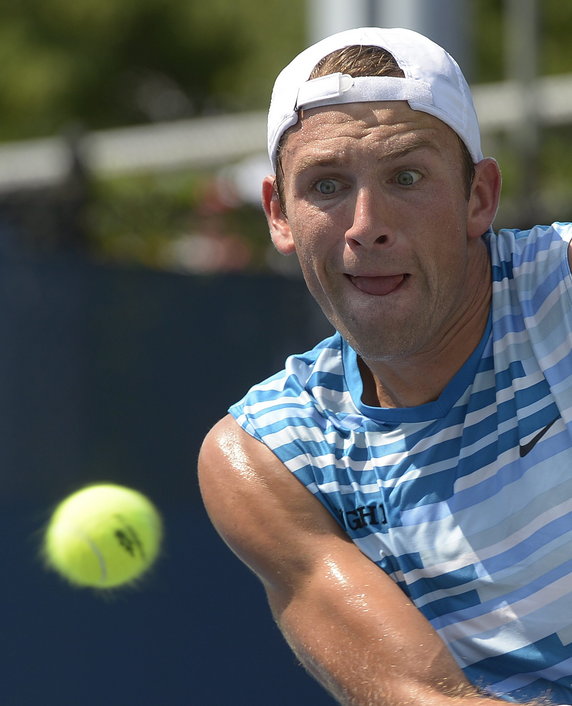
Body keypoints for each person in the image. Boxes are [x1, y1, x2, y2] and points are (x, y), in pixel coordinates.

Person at [198, 26, 572, 706]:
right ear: (279, 216)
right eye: (327, 185)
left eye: (406, 176)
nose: (366, 223)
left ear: (478, 198)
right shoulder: (265, 458)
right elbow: (427, 699)